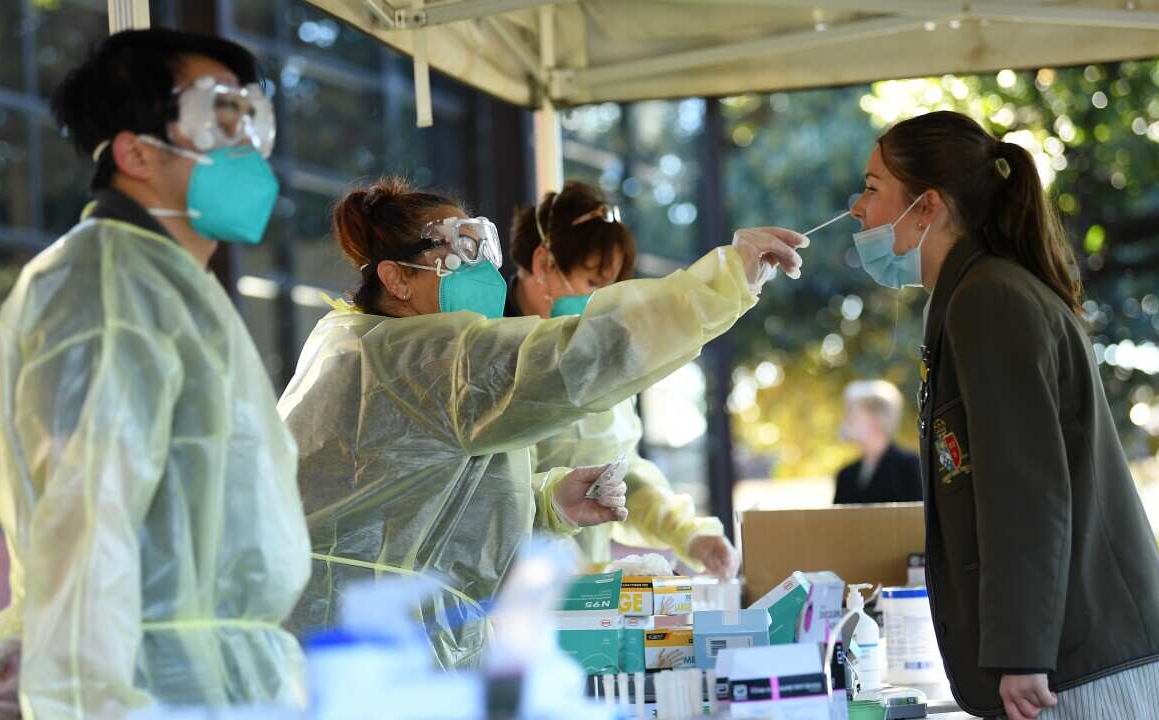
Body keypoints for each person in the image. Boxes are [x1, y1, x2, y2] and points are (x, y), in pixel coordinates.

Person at [278, 177, 805, 669]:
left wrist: (546, 503)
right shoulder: (421, 358)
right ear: (395, 277)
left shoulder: (357, 346)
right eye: (458, 252)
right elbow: (586, 353)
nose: (481, 270)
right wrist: (725, 280)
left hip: (363, 645)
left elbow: (412, 506)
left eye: (483, 248)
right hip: (375, 655)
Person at [0, 29, 311, 718]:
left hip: (212, 682)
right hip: (150, 688)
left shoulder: (170, 285)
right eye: (221, 122)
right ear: (135, 152)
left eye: (250, 123)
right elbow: (88, 525)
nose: (245, 148)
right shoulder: (108, 284)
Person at [848, 110, 1159, 720]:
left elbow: (1025, 487)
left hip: (1086, 665)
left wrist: (1021, 653)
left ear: (927, 205)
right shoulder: (981, 293)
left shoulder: (988, 299)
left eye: (873, 187)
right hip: (1080, 657)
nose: (858, 208)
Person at [507, 181, 740, 577]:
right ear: (544, 263)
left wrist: (687, 534)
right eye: (594, 283)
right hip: (507, 593)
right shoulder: (490, 356)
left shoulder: (595, 353)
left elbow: (621, 472)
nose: (604, 303)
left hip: (584, 587)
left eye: (613, 288)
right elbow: (492, 499)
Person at [833, 380, 922, 505]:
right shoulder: (846, 474)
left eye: (853, 414)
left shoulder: (908, 466)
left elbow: (918, 517)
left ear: (877, 419)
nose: (847, 420)